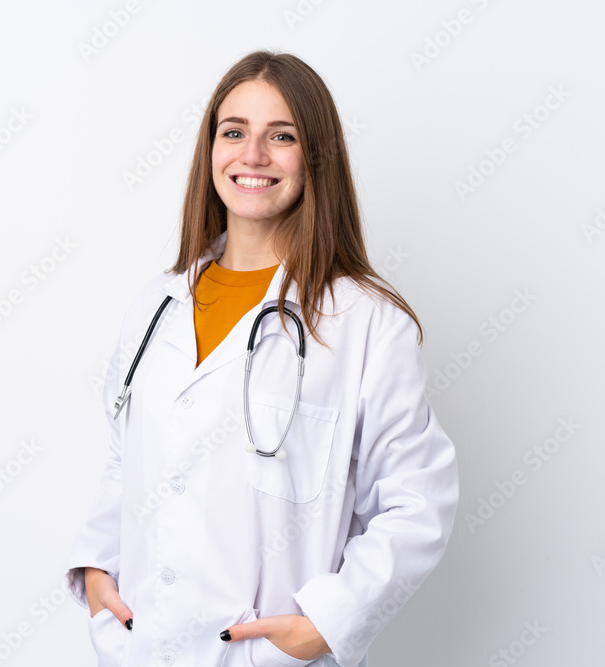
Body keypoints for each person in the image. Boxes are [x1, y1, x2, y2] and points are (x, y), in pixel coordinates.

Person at [66, 50, 458, 667]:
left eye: (281, 136)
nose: (252, 156)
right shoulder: (157, 306)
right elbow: (126, 457)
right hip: (141, 649)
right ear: (210, 149)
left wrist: (328, 622)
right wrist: (97, 569)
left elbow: (417, 503)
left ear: (316, 157)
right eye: (234, 132)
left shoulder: (366, 323)